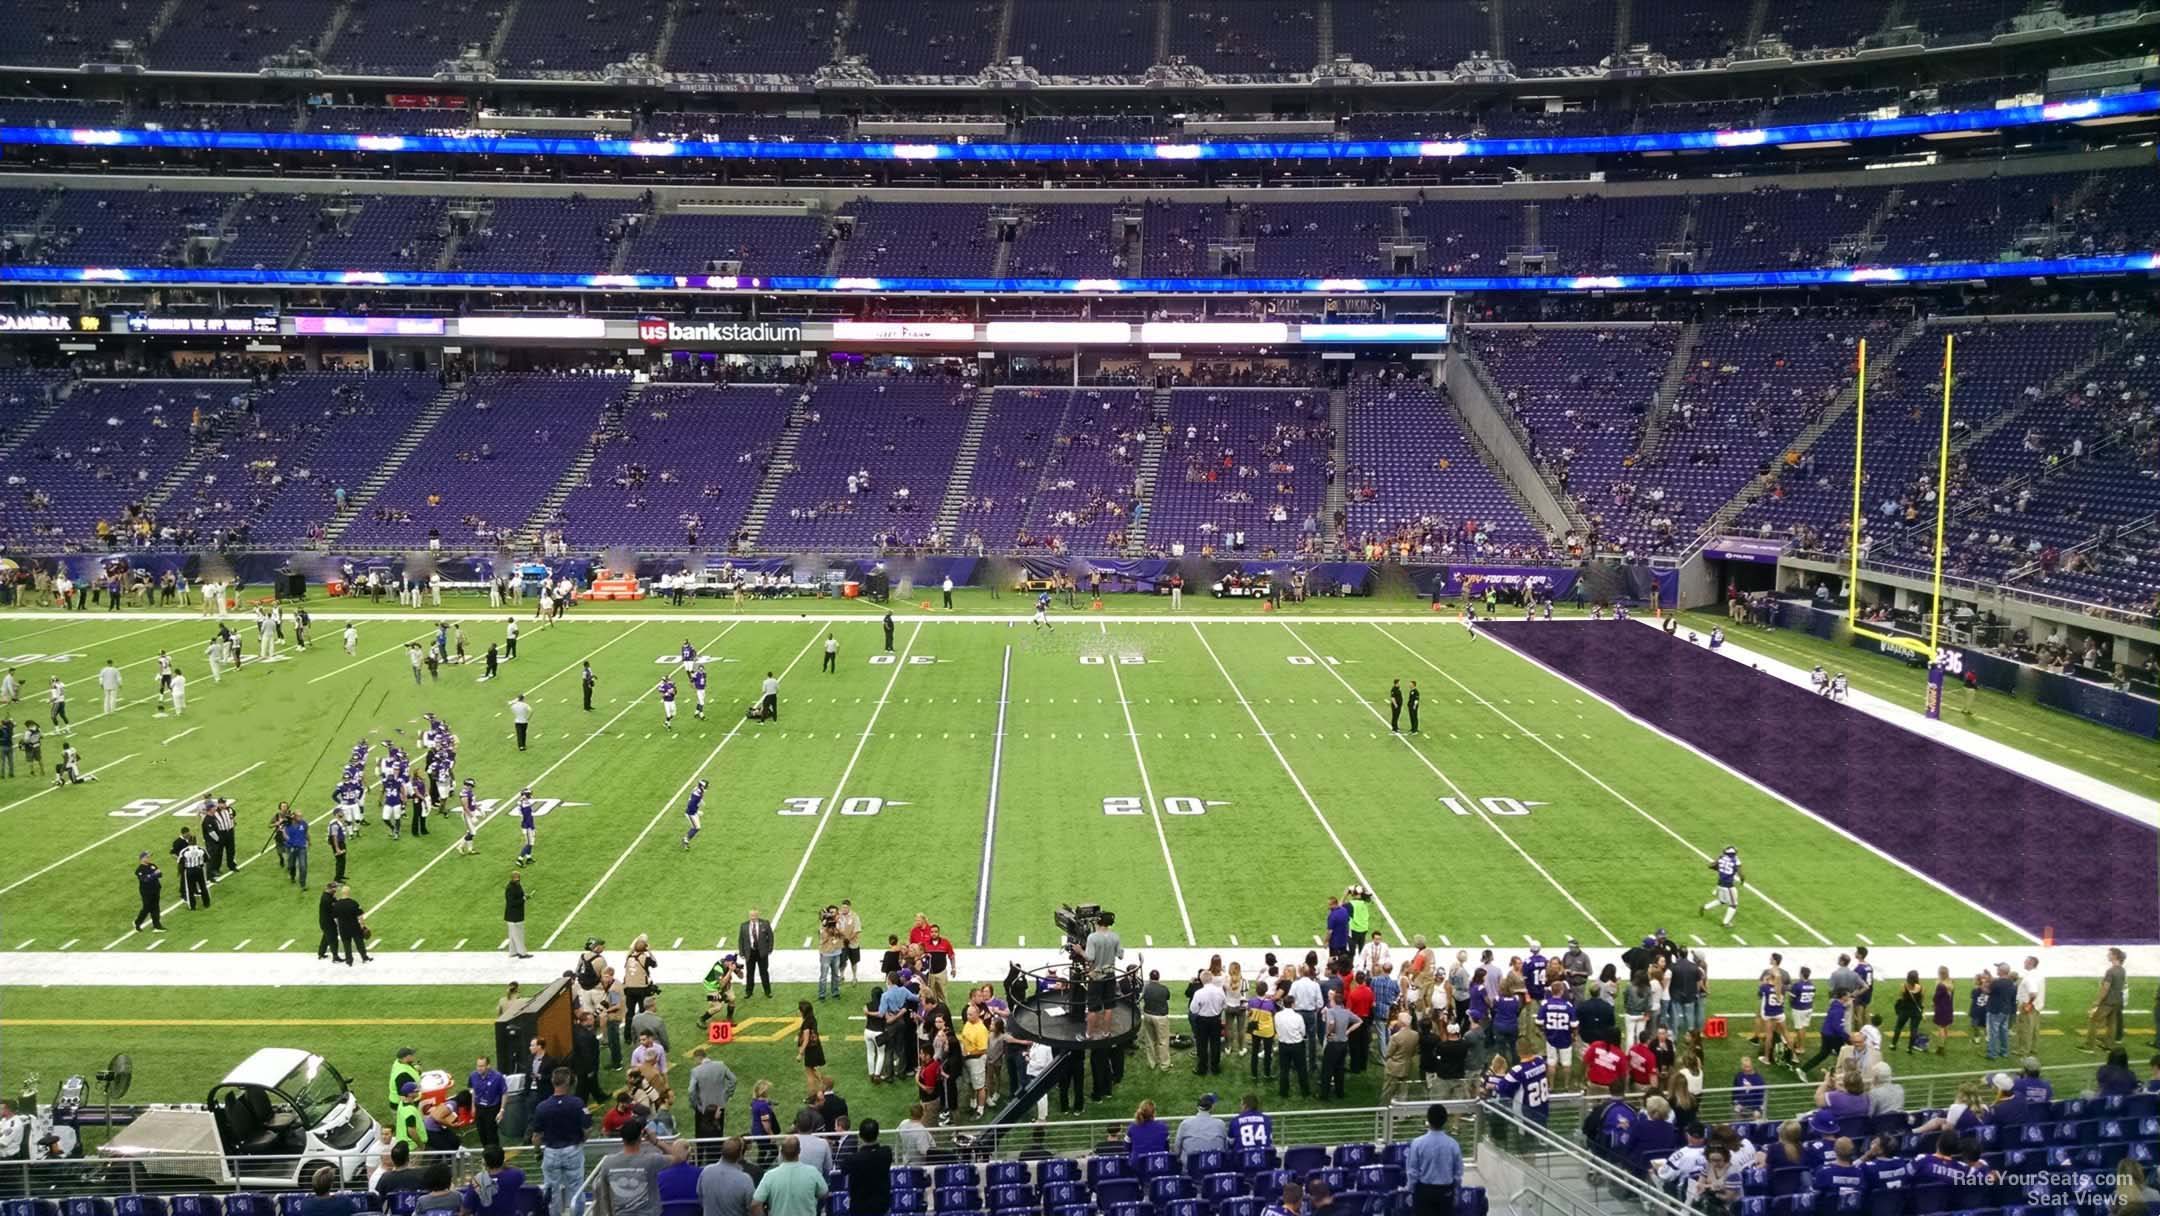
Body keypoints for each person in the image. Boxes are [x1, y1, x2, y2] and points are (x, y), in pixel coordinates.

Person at [592, 1119, 689, 1216]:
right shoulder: (651, 1160)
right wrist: (655, 1141)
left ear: (622, 1138)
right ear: (640, 1137)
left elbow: (605, 1195)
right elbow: (679, 1158)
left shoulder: (608, 1163)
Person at [532, 1067, 593, 1216]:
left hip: (551, 1152)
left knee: (551, 1192)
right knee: (576, 1189)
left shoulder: (542, 1107)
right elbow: (587, 1129)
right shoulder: (578, 1104)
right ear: (569, 1082)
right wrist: (582, 1141)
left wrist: (537, 1152)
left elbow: (536, 1136)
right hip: (573, 1150)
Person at [1405, 1105, 1463, 1216]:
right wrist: (1456, 1192)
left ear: (1428, 1119)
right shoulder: (1453, 1144)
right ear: (1445, 1120)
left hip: (1424, 1192)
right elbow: (1458, 1173)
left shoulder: (1417, 1143)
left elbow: (1412, 1171)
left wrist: (1410, 1190)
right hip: (1446, 1192)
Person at [749, 1136, 828, 1216]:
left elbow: (755, 1204)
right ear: (799, 1151)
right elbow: (824, 1193)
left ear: (781, 1152)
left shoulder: (769, 1176)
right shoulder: (812, 1172)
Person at [841, 1120, 893, 1216]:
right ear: (878, 1134)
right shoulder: (886, 1153)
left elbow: (843, 1170)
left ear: (860, 1135)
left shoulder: (853, 1159)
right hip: (881, 1207)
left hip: (860, 1208)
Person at [695, 1138, 756, 1216]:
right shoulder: (745, 1180)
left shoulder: (706, 1171)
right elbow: (752, 1207)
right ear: (740, 1154)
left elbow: (700, 1196)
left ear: (722, 1151)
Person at [2089, 948, 2128, 1052]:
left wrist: (2098, 1001)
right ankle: (2108, 1046)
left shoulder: (2111, 971)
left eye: (2109, 954)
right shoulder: (2122, 970)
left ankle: (2089, 1046)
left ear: (2115, 956)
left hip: (2108, 1001)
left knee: (2094, 1021)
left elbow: (2105, 988)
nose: (2108, 955)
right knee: (2112, 1023)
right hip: (2117, 1001)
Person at [1173, 1093, 1228, 1165]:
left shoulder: (1185, 1124)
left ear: (1197, 1107)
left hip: (1190, 1169)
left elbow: (1177, 1150)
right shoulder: (1220, 1124)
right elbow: (1225, 1148)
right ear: (1212, 1107)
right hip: (1215, 1168)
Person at [738, 909, 774, 997]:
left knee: (764, 972)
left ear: (758, 915)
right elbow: (741, 940)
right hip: (750, 952)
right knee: (750, 973)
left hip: (762, 952)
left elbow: (770, 936)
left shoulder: (765, 923)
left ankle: (767, 991)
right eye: (751, 915)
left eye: (754, 915)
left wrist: (769, 949)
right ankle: (749, 992)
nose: (753, 917)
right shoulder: (744, 926)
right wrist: (741, 952)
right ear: (749, 916)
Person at [505, 871, 531, 959]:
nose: (518, 880)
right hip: (513, 916)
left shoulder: (517, 885)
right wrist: (523, 899)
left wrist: (525, 896)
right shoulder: (510, 888)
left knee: (513, 936)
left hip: (517, 914)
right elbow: (511, 902)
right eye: (516, 878)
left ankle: (513, 952)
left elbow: (520, 895)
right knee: (518, 935)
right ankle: (522, 953)